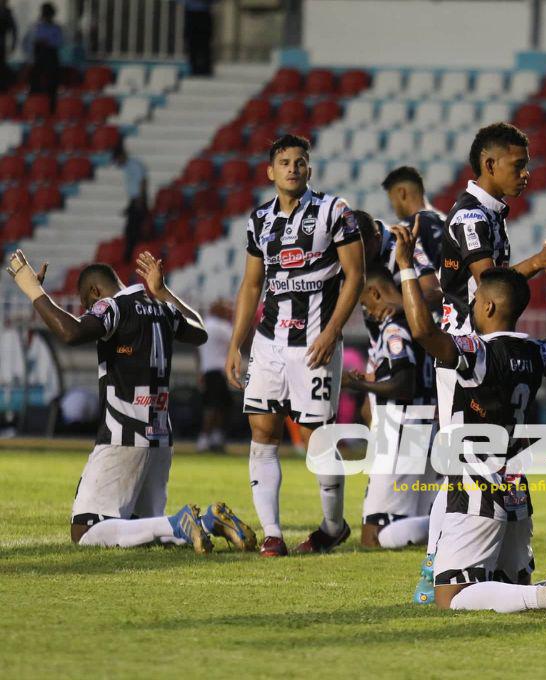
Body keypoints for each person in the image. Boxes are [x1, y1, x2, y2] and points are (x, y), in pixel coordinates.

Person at [392, 222, 546, 615]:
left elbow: (424, 332)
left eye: (476, 301)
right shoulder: (534, 353)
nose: (473, 307)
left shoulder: (476, 352)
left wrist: (406, 266)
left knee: (451, 598)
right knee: (511, 587)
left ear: (489, 307)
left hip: (476, 488)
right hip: (516, 490)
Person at [5, 249, 255, 553]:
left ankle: (178, 523)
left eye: (87, 304)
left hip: (123, 434)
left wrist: (32, 288)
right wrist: (163, 292)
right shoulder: (160, 307)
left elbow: (71, 332)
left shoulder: (112, 306)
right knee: (140, 531)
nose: (89, 311)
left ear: (95, 291)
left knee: (86, 530)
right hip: (160, 439)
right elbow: (200, 332)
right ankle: (207, 523)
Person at [417, 121, 546, 603]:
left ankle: (468, 564)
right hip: (466, 353)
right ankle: (439, 566)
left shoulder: (490, 215)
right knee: (465, 463)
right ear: (489, 164)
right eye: (518, 164)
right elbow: (490, 284)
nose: (526, 174)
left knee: (481, 462)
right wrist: (542, 263)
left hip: (480, 355)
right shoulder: (470, 217)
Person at [225, 134, 364, 557]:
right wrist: (237, 343)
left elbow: (355, 276)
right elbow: (252, 285)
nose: (292, 168)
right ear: (271, 171)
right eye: (284, 162)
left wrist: (332, 331)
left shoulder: (334, 211)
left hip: (315, 344)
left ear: (309, 169)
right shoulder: (259, 220)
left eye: (299, 162)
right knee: (262, 430)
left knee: (317, 440)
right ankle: (272, 533)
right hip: (269, 342)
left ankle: (333, 526)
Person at [343, 266, 439, 549]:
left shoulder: (394, 327)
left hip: (400, 426)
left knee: (374, 533)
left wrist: (358, 384)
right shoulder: (422, 322)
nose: (368, 312)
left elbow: (404, 383)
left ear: (375, 293)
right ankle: (445, 525)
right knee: (412, 520)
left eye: (365, 304)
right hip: (425, 423)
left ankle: (448, 525)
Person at [382, 165, 446, 269]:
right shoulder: (447, 221)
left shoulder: (406, 229)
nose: (393, 206)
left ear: (401, 192)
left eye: (392, 199)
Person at [197, 299, 233, 453]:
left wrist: (200, 370)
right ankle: (206, 439)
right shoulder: (222, 326)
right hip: (218, 371)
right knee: (215, 407)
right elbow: (236, 341)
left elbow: (198, 351)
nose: (228, 312)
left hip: (207, 370)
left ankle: (212, 438)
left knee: (215, 406)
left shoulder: (204, 324)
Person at [113, 144, 148, 264]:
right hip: (134, 200)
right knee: (131, 229)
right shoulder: (127, 167)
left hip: (138, 199)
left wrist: (140, 200)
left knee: (134, 229)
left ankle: (131, 256)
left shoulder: (134, 165)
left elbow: (142, 181)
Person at [22, 2, 62, 110]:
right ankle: (32, 107)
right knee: (34, 85)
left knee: (52, 85)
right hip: (38, 59)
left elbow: (59, 42)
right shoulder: (35, 27)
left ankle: (51, 108)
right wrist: (30, 58)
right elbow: (27, 44)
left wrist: (47, 42)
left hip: (51, 59)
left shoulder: (56, 28)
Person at [177, 0, 216, 76]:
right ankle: (194, 68)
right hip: (191, 13)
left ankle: (206, 69)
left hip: (204, 14)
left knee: (205, 43)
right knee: (191, 43)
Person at [0, 0, 18, 92]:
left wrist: (13, 44)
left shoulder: (7, 13)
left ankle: (3, 87)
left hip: (1, 44)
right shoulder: (7, 13)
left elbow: (14, 30)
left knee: (2, 66)